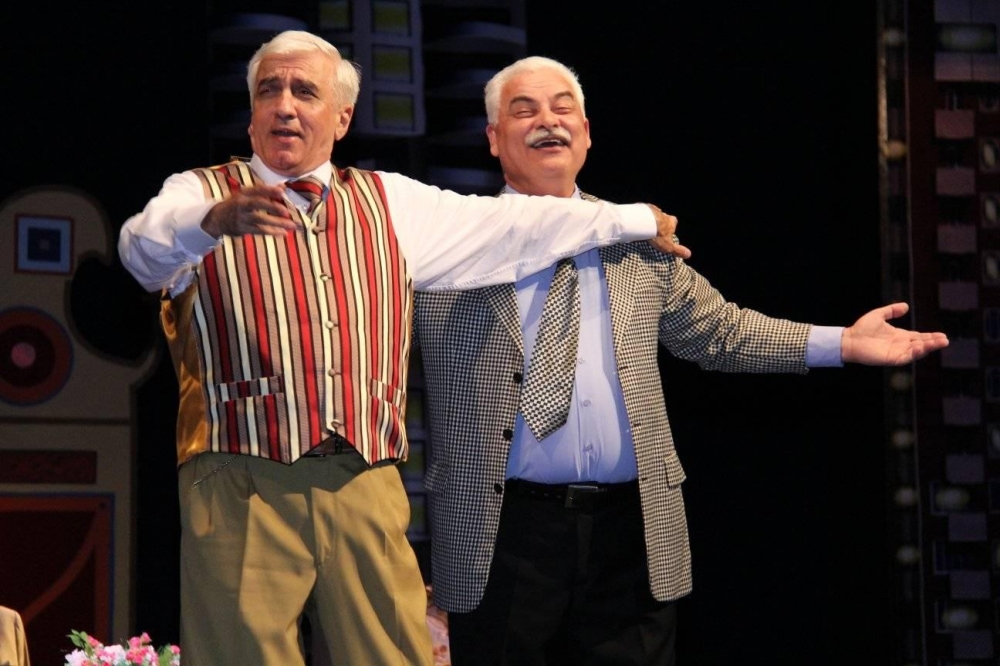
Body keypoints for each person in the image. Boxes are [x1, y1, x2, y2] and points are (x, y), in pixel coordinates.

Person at [117, 32, 686, 666]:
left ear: (342, 117)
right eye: (268, 91)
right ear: (251, 114)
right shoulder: (200, 192)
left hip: (365, 476)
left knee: (392, 654)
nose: (285, 105)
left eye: (304, 91)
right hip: (238, 476)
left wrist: (636, 219)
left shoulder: (390, 200)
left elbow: (517, 224)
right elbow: (140, 250)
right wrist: (211, 222)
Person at [412, 56, 950, 666]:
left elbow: (721, 332)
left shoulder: (637, 242)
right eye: (524, 110)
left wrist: (843, 343)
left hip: (631, 531)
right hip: (499, 532)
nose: (548, 121)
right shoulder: (449, 248)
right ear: (493, 138)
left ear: (586, 133)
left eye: (563, 108)